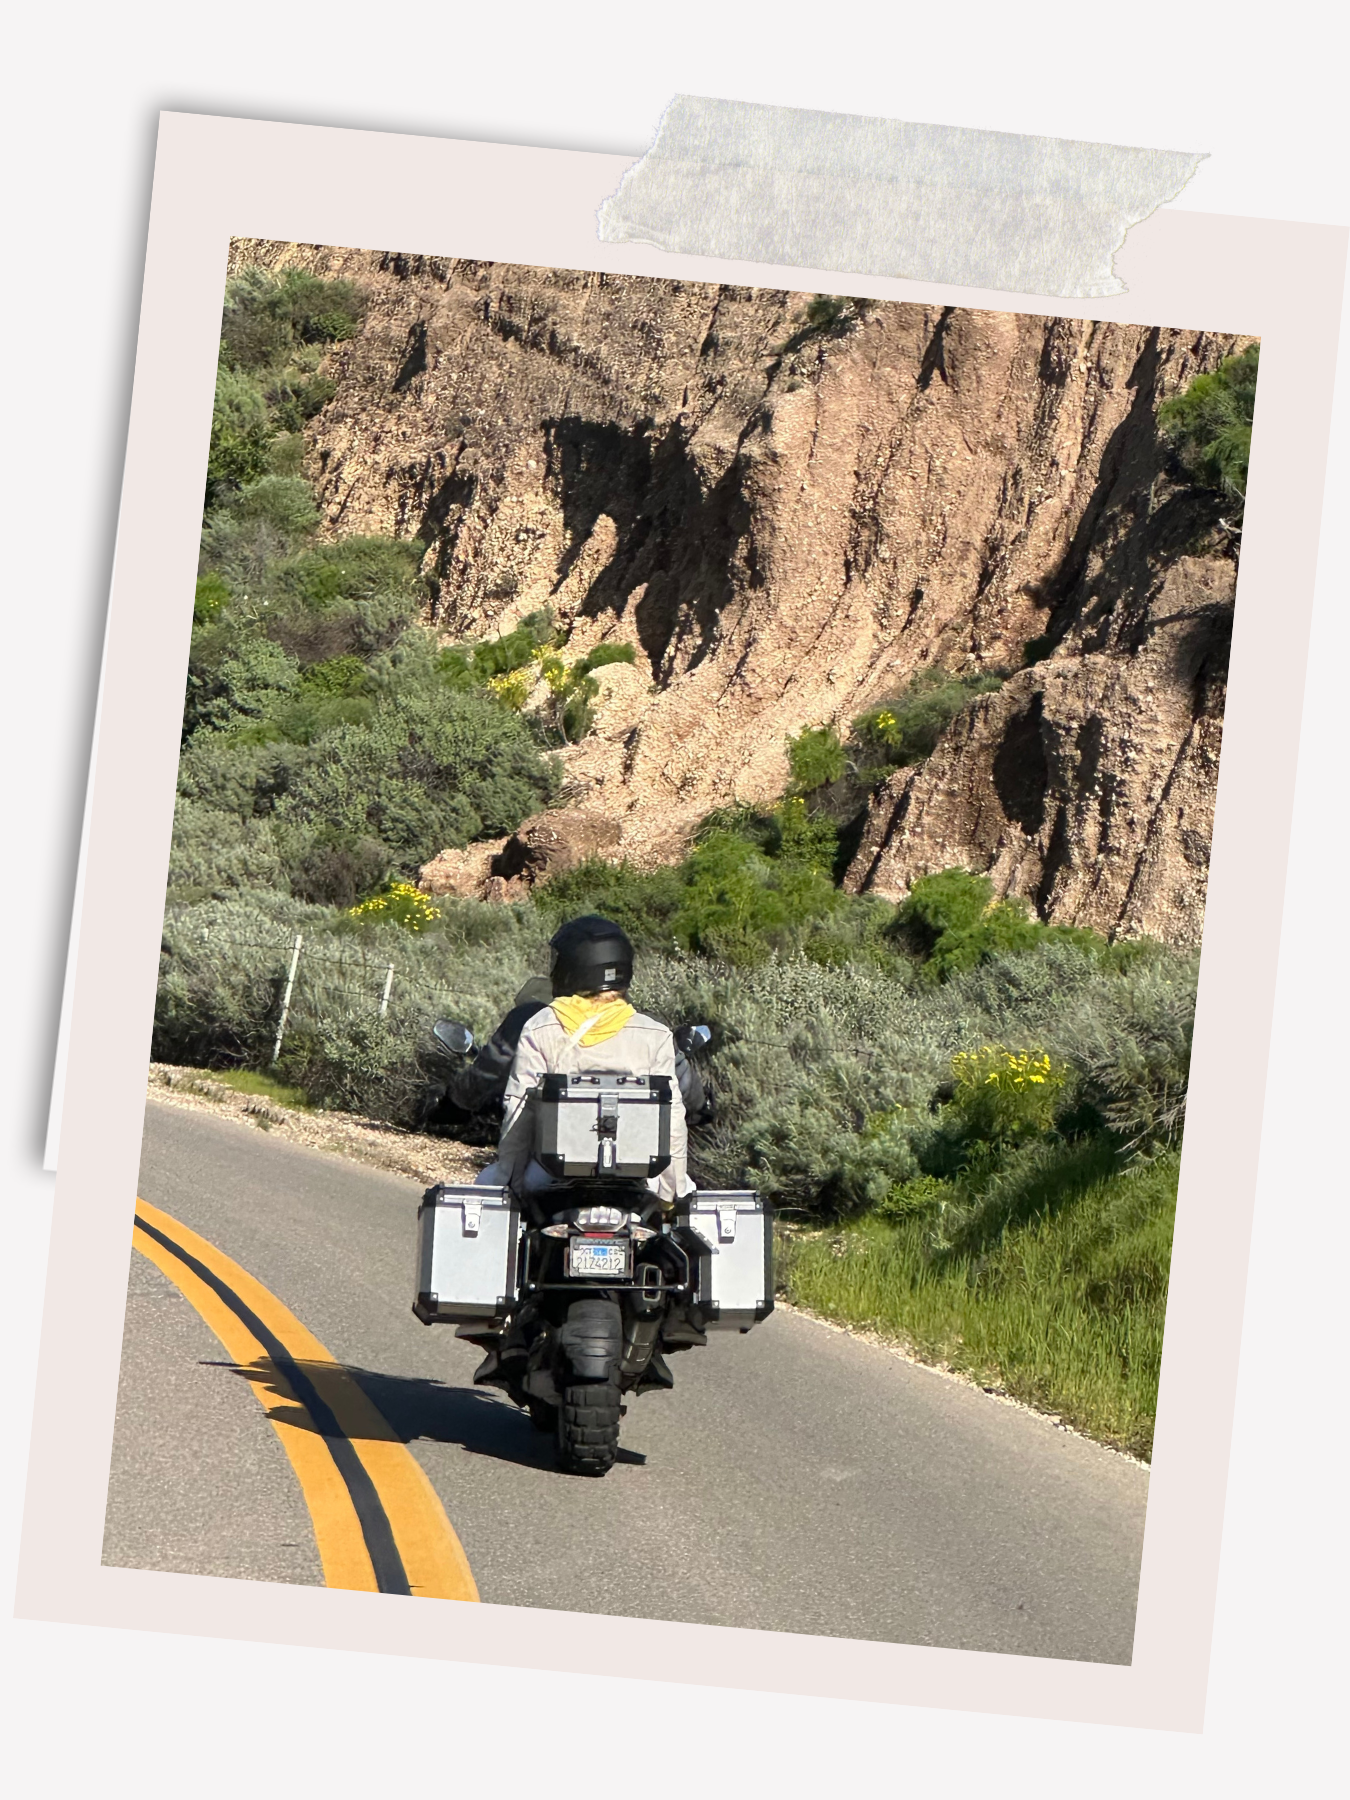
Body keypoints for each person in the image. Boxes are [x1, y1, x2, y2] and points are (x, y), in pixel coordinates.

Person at [481, 915, 694, 1204]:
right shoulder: (654, 1034)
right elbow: (672, 1121)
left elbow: (520, 1110)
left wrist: (510, 1180)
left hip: (552, 1171)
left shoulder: (542, 1025)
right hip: (638, 1171)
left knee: (485, 1188)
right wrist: (672, 1192)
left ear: (572, 968)